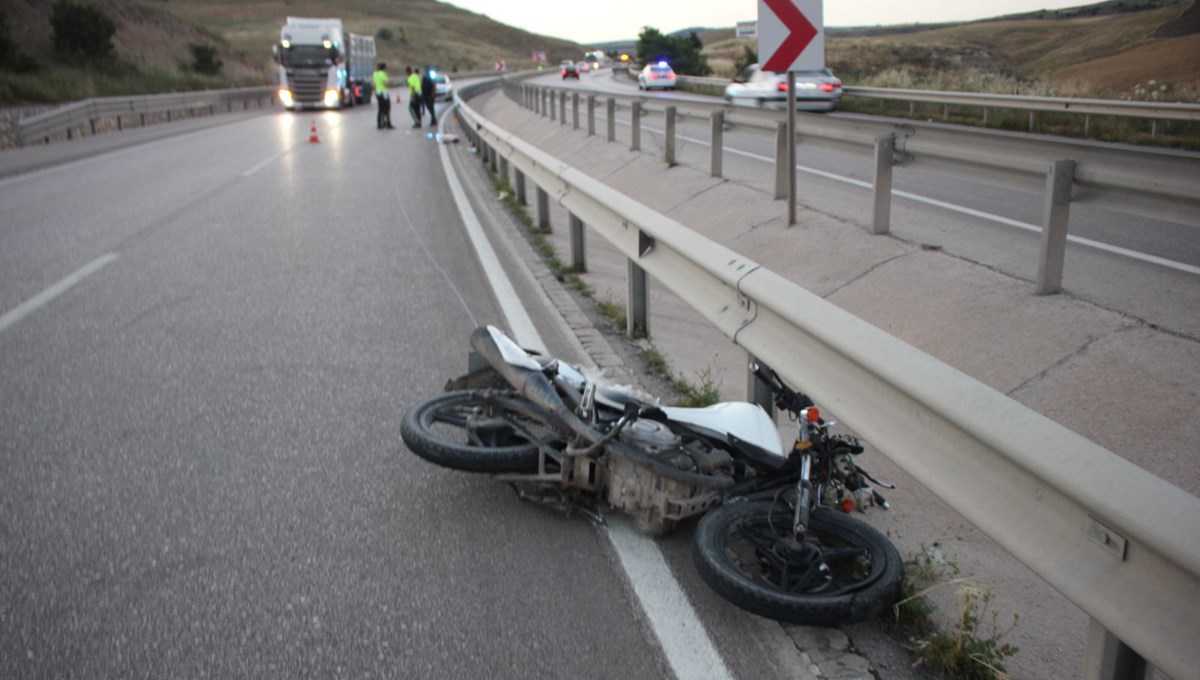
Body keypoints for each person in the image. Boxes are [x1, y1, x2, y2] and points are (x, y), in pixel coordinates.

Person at [372, 62, 393, 129]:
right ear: (384, 68)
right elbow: (385, 83)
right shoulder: (383, 74)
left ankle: (380, 123)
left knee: (380, 109)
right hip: (384, 93)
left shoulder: (375, 74)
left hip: (378, 92)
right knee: (387, 108)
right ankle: (388, 123)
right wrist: (390, 84)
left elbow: (374, 84)